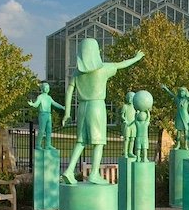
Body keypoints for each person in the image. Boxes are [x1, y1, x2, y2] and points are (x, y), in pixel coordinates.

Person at [61, 39, 144, 184]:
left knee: (81, 142)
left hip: (82, 108)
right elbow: (121, 64)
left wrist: (67, 113)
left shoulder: (76, 73)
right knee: (98, 143)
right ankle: (94, 174)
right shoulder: (103, 68)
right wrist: (136, 58)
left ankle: (69, 170)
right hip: (96, 107)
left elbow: (69, 92)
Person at [28, 82, 65, 150]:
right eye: (46, 87)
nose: (47, 89)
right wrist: (32, 104)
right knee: (42, 130)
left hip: (48, 115)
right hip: (42, 114)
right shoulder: (40, 97)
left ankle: (48, 145)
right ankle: (38, 145)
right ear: (42, 88)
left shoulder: (49, 97)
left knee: (49, 130)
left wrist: (62, 107)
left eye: (48, 88)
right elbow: (36, 104)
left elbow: (54, 103)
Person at [160, 85, 189, 150]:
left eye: (183, 92)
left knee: (186, 131)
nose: (181, 93)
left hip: (185, 116)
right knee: (179, 132)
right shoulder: (177, 99)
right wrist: (166, 88)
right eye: (180, 92)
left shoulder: (187, 100)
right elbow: (171, 94)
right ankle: (178, 144)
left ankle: (186, 145)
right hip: (179, 116)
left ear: (185, 93)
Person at [121, 91, 137, 158]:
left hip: (133, 125)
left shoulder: (135, 107)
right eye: (129, 97)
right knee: (126, 139)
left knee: (132, 139)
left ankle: (130, 152)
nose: (130, 99)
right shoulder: (125, 106)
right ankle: (125, 152)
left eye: (132, 97)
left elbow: (136, 116)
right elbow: (122, 115)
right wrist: (125, 120)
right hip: (127, 125)